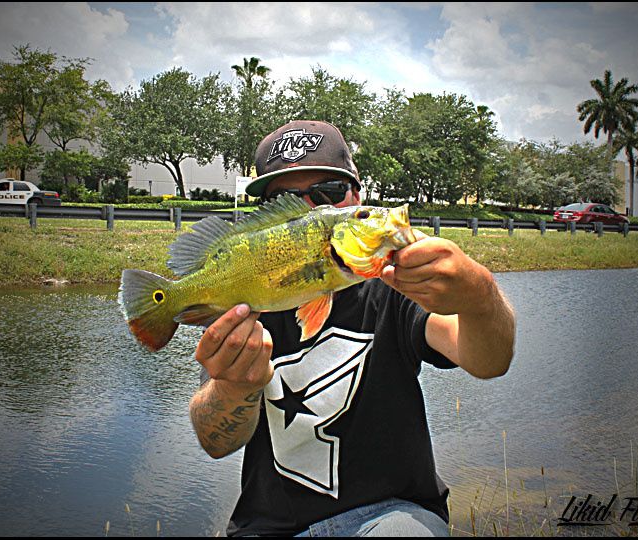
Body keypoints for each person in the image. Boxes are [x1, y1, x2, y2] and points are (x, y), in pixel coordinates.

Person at [188, 120, 515, 537]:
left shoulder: (399, 287)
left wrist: (480, 298)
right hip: (267, 527)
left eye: (328, 193)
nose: (311, 211)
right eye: (284, 199)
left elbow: (490, 362)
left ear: (356, 196)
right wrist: (232, 388)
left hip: (392, 515)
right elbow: (215, 442)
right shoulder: (242, 302)